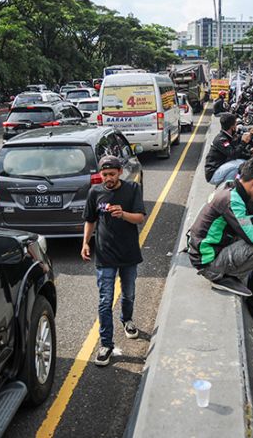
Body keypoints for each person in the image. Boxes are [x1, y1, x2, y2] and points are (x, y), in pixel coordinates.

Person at [188, 158, 253, 297]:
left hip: (206, 251)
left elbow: (244, 222)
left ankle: (228, 273)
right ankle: (224, 277)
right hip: (208, 263)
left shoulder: (231, 189)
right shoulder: (232, 200)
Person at [82, 155, 147, 366]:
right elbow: (90, 220)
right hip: (104, 254)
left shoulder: (132, 189)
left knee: (129, 293)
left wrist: (123, 214)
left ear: (120, 172)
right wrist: (85, 243)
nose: (108, 178)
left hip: (128, 253)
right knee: (104, 300)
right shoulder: (95, 192)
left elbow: (140, 217)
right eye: (104, 174)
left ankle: (127, 320)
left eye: (111, 174)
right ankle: (106, 344)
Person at [204, 113, 253, 186]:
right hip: (213, 174)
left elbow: (238, 153)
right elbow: (233, 154)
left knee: (239, 166)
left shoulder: (228, 137)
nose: (236, 127)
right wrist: (243, 142)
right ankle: (226, 188)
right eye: (235, 124)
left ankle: (226, 186)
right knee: (241, 164)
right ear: (232, 127)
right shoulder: (221, 139)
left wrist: (251, 154)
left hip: (220, 168)